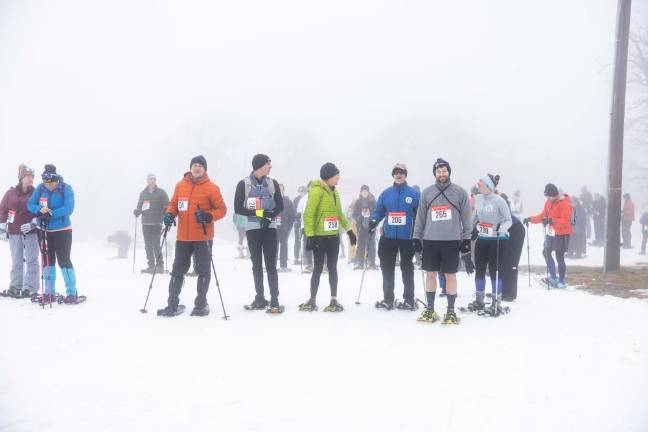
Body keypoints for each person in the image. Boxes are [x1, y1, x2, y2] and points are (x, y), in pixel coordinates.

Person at [157, 155, 227, 317]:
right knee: (177, 271)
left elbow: (222, 209)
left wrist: (208, 216)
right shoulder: (180, 185)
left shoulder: (212, 188)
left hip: (203, 237)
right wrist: (169, 215)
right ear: (190, 167)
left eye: (201, 166)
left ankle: (201, 304)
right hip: (183, 237)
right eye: (195, 165)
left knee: (203, 270)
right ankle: (172, 304)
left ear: (205, 169)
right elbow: (173, 205)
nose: (197, 168)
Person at [412, 158, 472, 324]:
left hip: (451, 241)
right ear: (435, 174)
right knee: (430, 275)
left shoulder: (460, 192)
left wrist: (467, 239)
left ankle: (450, 311)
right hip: (430, 240)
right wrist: (416, 237)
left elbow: (467, 218)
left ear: (449, 172)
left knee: (450, 275)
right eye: (438, 171)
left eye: (444, 171)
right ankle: (430, 310)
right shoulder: (427, 192)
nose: (442, 174)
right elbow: (420, 217)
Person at [299, 163, 357, 312]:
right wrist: (310, 236)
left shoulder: (335, 192)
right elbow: (308, 214)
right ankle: (312, 299)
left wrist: (349, 231)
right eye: (336, 175)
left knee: (332, 267)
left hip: (333, 237)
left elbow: (339, 214)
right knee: (318, 268)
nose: (339, 178)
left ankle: (333, 299)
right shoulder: (316, 191)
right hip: (319, 238)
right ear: (329, 176)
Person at [234, 154, 285, 313]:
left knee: (271, 264)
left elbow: (280, 205)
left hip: (270, 229)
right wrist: (262, 214)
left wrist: (270, 216)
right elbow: (238, 208)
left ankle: (274, 299)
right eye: (268, 164)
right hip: (253, 229)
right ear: (260, 166)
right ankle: (260, 298)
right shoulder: (244, 184)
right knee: (256, 265)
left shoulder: (272, 183)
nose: (270, 167)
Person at [27, 164, 80, 304]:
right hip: (43, 230)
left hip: (62, 230)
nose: (49, 186)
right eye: (46, 183)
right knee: (47, 260)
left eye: (51, 183)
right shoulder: (40, 188)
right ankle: (49, 292)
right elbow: (30, 204)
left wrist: (51, 213)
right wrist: (39, 210)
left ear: (57, 180)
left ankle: (72, 292)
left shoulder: (66, 188)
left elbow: (69, 208)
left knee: (64, 260)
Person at [370, 163, 420, 310]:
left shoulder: (414, 194)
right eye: (396, 172)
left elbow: (420, 215)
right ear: (393, 175)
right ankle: (388, 299)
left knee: (407, 268)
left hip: (407, 238)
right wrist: (374, 220)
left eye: (402, 172)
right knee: (387, 268)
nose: (399, 175)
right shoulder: (386, 193)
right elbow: (379, 211)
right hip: (388, 237)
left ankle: (409, 300)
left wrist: (419, 234)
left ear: (405, 175)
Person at [465, 174, 511, 315]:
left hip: (497, 240)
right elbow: (476, 217)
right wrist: (472, 228)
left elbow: (508, 220)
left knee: (494, 271)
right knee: (479, 269)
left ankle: (496, 302)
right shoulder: (478, 199)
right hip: (482, 239)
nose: (478, 186)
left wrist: (501, 228)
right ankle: (479, 299)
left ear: (489, 186)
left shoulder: (499, 201)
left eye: (481, 184)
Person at [0, 165, 39, 298]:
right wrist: (2, 228)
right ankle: (15, 286)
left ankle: (31, 287)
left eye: (32, 177)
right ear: (21, 177)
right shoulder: (10, 193)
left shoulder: (36, 192)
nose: (31, 179)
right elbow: (3, 209)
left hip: (31, 232)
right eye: (28, 176)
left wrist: (33, 224)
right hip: (14, 231)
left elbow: (42, 211)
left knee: (32, 259)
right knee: (16, 259)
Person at [523, 183, 573, 289]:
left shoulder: (565, 204)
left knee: (560, 256)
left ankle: (562, 281)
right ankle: (553, 277)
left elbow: (566, 221)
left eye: (549, 196)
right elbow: (543, 216)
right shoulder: (549, 202)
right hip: (551, 232)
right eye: (547, 196)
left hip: (562, 233)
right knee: (546, 252)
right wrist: (530, 219)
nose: (548, 198)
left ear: (555, 194)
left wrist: (551, 220)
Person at [133, 174, 169, 273]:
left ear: (155, 180)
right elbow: (140, 207)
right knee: (148, 245)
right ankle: (151, 266)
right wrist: (137, 211)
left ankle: (160, 266)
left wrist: (166, 211)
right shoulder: (143, 193)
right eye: (150, 179)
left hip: (157, 223)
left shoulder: (161, 192)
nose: (152, 181)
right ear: (147, 181)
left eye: (153, 179)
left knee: (156, 244)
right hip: (145, 223)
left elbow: (167, 205)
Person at [499, 192, 525, 302]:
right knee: (504, 261)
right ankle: (503, 290)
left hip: (516, 230)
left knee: (512, 262)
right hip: (508, 230)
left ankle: (509, 293)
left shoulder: (502, 203)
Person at [353, 185, 377, 270]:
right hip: (361, 226)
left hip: (371, 225)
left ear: (368, 192)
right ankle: (359, 262)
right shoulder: (358, 202)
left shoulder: (373, 201)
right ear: (360, 192)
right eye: (363, 191)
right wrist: (360, 216)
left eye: (366, 191)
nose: (365, 193)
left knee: (371, 244)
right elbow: (354, 215)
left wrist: (371, 216)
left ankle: (371, 262)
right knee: (361, 244)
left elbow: (376, 212)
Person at [276, 184, 295, 272]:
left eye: (281, 189)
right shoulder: (272, 200)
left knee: (284, 245)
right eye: (278, 189)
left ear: (284, 190)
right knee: (273, 246)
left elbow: (292, 215)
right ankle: (272, 265)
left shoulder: (288, 201)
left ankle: (283, 266)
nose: (280, 191)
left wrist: (288, 227)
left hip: (284, 228)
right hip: (274, 228)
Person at [296, 184, 314, 272]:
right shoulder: (303, 200)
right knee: (308, 246)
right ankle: (309, 265)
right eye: (310, 187)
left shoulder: (319, 198)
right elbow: (299, 212)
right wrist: (297, 220)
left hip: (318, 227)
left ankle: (320, 264)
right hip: (306, 226)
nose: (312, 189)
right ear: (308, 188)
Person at [292, 185, 307, 264]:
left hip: (305, 224)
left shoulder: (307, 199)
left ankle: (305, 257)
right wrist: (295, 220)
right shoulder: (296, 200)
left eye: (302, 191)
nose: (301, 193)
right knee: (297, 240)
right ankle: (296, 257)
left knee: (305, 241)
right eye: (300, 191)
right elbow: (294, 210)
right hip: (298, 223)